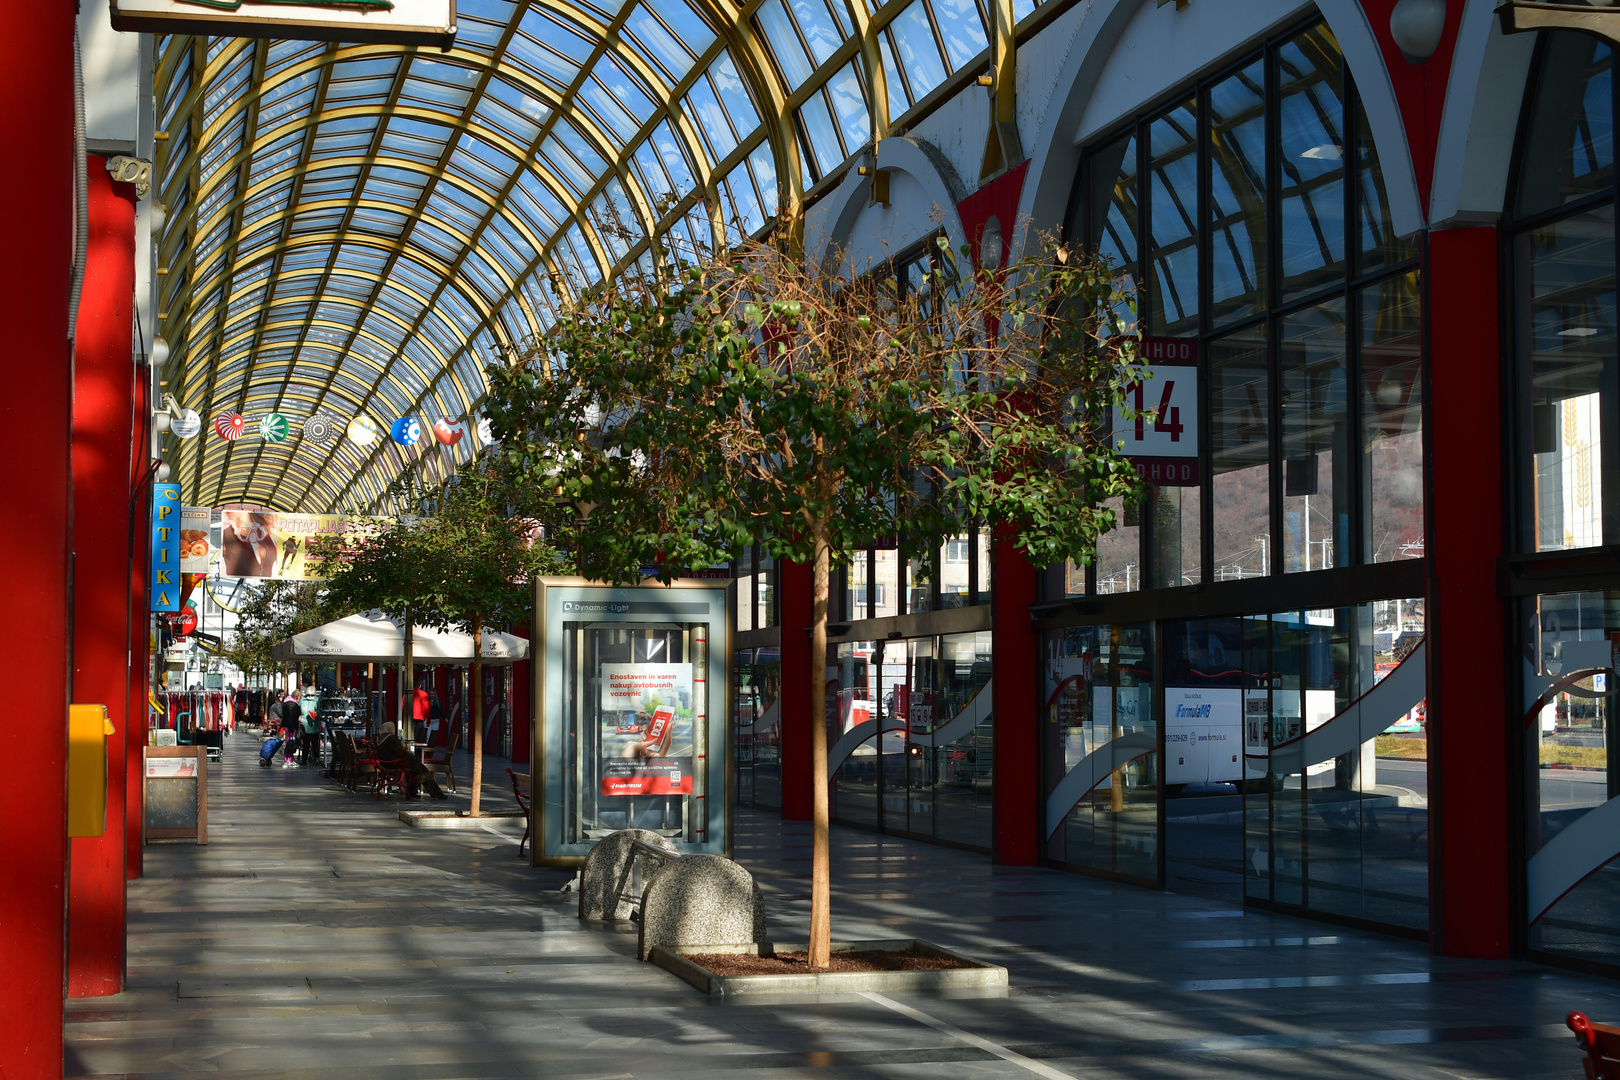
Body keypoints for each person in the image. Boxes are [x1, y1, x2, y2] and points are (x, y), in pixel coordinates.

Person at [374, 722, 447, 799]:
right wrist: (411, 756)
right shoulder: (391, 739)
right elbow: (401, 752)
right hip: (395, 764)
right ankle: (436, 793)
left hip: (387, 763)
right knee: (420, 768)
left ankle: (412, 792)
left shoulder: (379, 739)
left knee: (416, 768)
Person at [299, 686, 320, 767]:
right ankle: (304, 759)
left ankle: (316, 758)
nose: (310, 697)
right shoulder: (302, 700)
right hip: (304, 725)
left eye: (312, 695)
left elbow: (320, 710)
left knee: (315, 744)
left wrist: (317, 713)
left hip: (314, 725)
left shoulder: (317, 700)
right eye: (309, 695)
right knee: (305, 744)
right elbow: (298, 709)